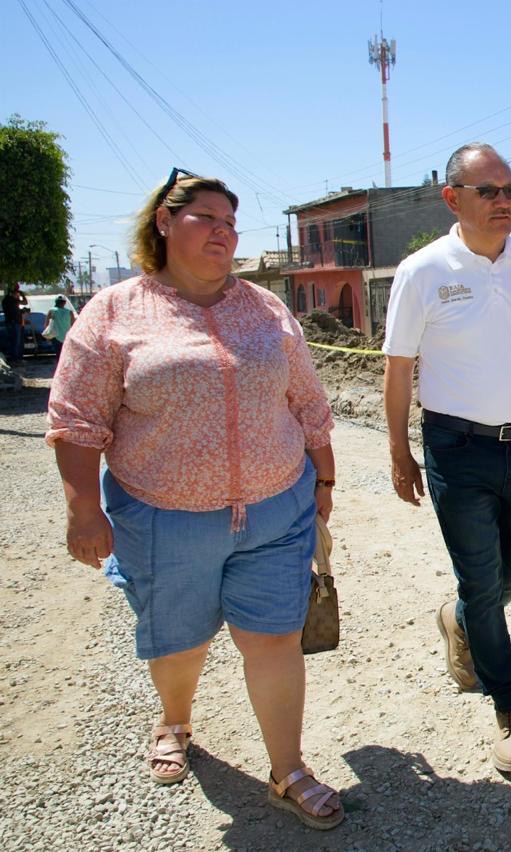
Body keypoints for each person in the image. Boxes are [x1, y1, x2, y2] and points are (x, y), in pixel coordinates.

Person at [45, 169, 344, 830]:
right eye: (206, 218)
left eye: (231, 223)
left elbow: (306, 398)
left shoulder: (265, 308)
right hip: (163, 520)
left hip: (274, 510)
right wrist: (82, 510)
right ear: (163, 222)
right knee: (180, 644)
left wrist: (323, 477)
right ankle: (175, 721)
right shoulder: (115, 311)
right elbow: (75, 416)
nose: (223, 233)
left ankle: (288, 770)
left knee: (274, 640)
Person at [382, 142, 511, 773]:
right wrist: (398, 451)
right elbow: (397, 367)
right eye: (487, 191)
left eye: (509, 190)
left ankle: (457, 618)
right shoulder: (423, 271)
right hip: (455, 447)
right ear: (453, 199)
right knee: (484, 582)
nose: (503, 202)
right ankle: (509, 708)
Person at [42, 295, 75, 361]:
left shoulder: (51, 310)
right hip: (67, 336)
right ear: (65, 303)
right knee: (66, 354)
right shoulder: (70, 312)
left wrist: (47, 336)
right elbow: (73, 325)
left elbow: (46, 324)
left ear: (56, 302)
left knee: (58, 355)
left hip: (55, 336)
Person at [3, 282, 28, 364]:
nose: (18, 295)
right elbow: (25, 302)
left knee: (16, 341)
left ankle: (17, 359)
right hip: (14, 323)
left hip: (15, 323)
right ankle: (16, 359)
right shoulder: (10, 299)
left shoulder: (9, 300)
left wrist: (21, 311)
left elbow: (14, 309)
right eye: (16, 293)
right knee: (16, 342)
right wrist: (22, 294)